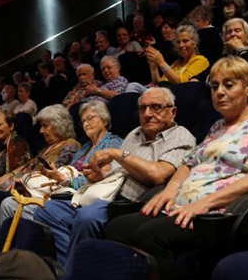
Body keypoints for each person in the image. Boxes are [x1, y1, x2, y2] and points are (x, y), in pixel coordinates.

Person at [107, 56, 248, 280]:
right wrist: (170, 190)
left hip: (222, 215)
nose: (220, 92)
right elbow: (189, 163)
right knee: (117, 227)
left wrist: (205, 203)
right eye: (214, 86)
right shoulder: (217, 127)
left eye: (229, 84)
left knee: (150, 236)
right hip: (186, 208)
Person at [34, 87, 196, 267]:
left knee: (87, 216)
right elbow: (116, 170)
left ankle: (76, 272)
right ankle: (69, 266)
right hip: (103, 191)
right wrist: (98, 174)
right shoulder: (135, 134)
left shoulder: (180, 135)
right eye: (142, 108)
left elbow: (158, 174)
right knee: (48, 210)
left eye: (155, 107)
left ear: (172, 112)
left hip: (129, 202)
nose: (147, 113)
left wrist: (116, 153)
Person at [0, 101, 124, 225]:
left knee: (9, 204)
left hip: (82, 200)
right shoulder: (85, 147)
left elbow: (103, 178)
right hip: (64, 193)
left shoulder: (113, 143)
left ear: (105, 121)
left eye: (90, 118)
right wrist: (56, 176)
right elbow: (69, 172)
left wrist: (65, 180)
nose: (86, 123)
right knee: (8, 203)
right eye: (83, 121)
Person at [0, 104, 80, 213]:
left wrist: (22, 179)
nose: (41, 131)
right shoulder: (46, 147)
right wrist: (12, 177)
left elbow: (53, 174)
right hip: (24, 187)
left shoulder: (70, 144)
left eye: (45, 126)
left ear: (58, 126)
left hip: (41, 195)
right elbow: (28, 166)